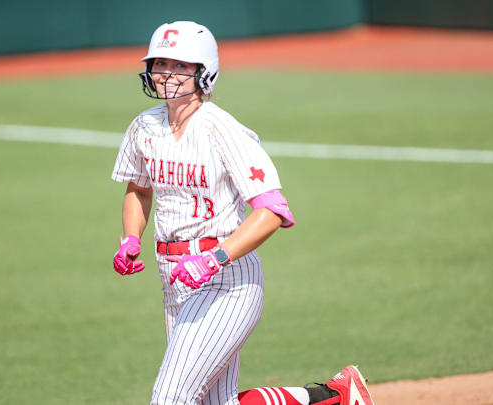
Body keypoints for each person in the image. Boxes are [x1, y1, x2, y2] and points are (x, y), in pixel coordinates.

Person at [111, 21, 375, 405]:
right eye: (160, 63)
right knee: (214, 402)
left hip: (228, 283)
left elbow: (272, 211)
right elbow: (138, 189)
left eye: (179, 65)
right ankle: (334, 396)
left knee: (170, 397)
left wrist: (214, 259)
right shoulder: (144, 127)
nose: (166, 74)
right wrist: (130, 237)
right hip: (175, 283)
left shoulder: (221, 130)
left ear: (204, 73)